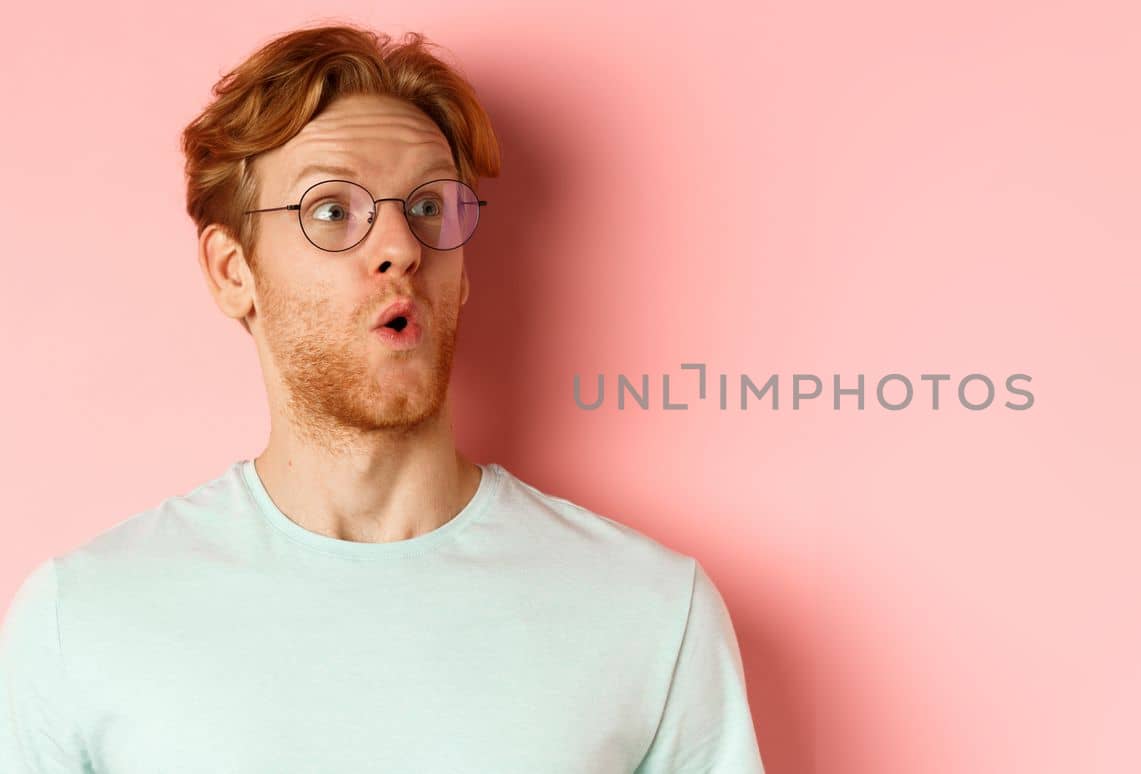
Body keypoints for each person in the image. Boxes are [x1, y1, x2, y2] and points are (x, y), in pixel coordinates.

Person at [0, 22, 764, 773]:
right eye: (332, 210)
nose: (401, 246)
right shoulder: (85, 618)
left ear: (463, 275)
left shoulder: (650, 612)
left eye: (430, 207)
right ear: (234, 272)